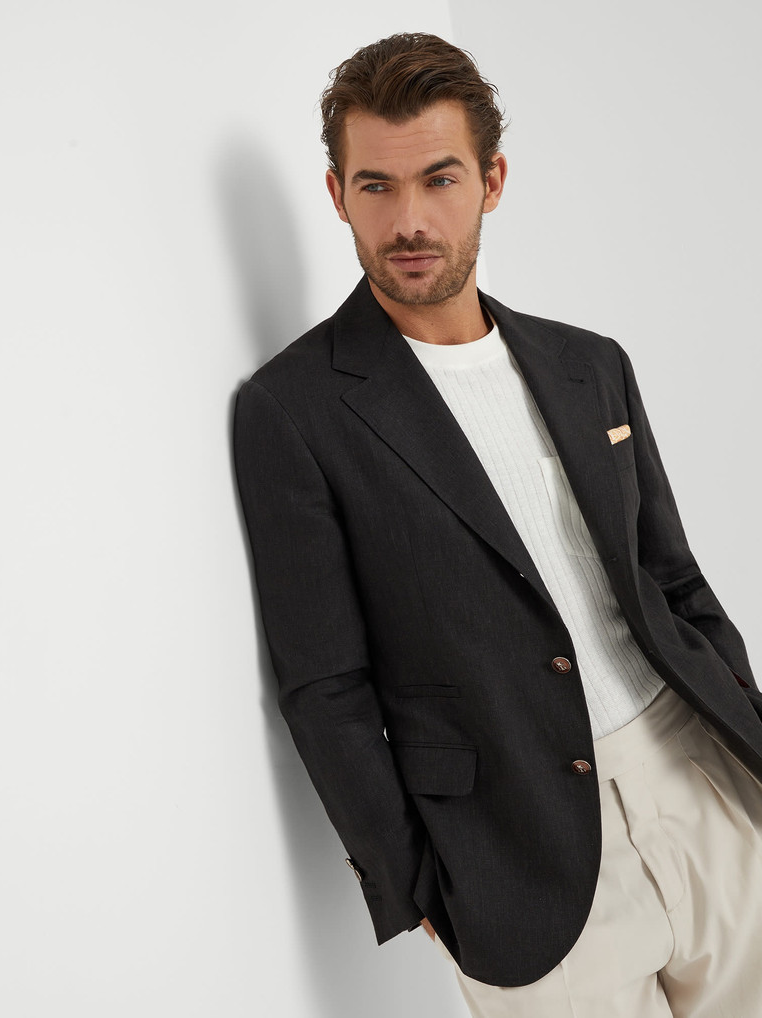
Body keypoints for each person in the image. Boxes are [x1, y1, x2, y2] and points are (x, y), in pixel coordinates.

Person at [233, 31, 762, 1017]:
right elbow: (324, 686)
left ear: (491, 180)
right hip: (518, 852)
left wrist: (745, 725)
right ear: (337, 194)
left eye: (439, 179)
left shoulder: (589, 364)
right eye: (376, 186)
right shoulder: (294, 410)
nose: (408, 220)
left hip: (704, 783)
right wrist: (412, 885)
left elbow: (672, 576)